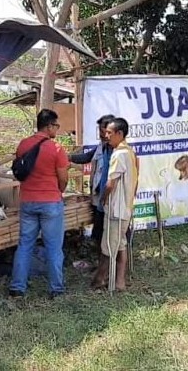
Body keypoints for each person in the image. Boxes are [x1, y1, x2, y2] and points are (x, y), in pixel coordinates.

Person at [10, 109, 69, 298]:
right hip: (51, 202)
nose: (57, 130)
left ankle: (17, 287)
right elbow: (63, 178)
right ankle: (56, 289)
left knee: (25, 244)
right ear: (49, 126)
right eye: (56, 126)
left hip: (27, 201)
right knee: (53, 247)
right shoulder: (56, 149)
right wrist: (58, 191)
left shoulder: (23, 144)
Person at [92, 117, 138, 291]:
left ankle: (101, 280)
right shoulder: (129, 152)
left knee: (108, 247)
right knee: (120, 244)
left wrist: (103, 198)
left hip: (115, 208)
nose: (106, 135)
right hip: (125, 207)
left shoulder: (118, 154)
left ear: (120, 133)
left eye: (110, 133)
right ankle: (120, 282)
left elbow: (111, 182)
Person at [69, 115, 115, 272]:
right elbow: (87, 157)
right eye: (101, 130)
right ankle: (102, 264)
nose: (102, 134)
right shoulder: (101, 146)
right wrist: (68, 157)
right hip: (98, 198)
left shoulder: (116, 150)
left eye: (105, 130)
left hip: (109, 199)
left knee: (108, 233)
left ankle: (108, 267)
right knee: (98, 232)